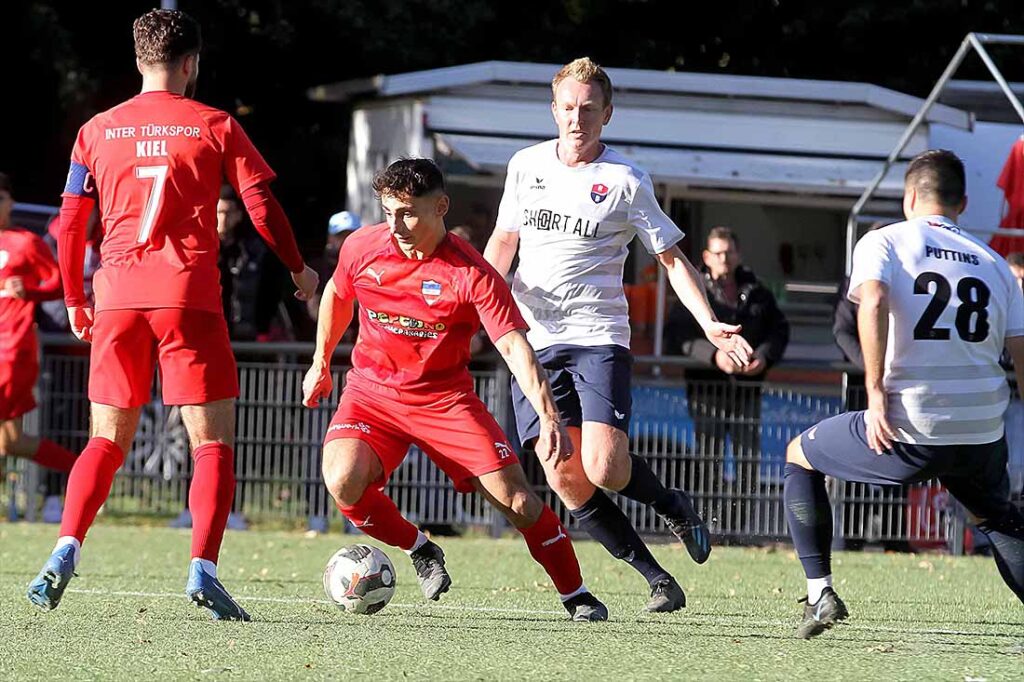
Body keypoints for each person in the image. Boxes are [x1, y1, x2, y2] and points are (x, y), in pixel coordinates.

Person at [27, 9, 318, 620]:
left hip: (118, 299)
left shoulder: (96, 129)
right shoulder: (215, 124)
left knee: (106, 439)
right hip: (188, 297)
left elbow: (72, 222)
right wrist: (297, 268)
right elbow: (260, 205)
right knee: (211, 442)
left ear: (138, 61)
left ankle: (64, 549)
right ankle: (202, 569)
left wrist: (76, 299)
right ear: (192, 63)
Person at [484, 57, 752, 612]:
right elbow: (501, 251)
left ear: (607, 113)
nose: (577, 118)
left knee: (604, 465)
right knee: (564, 476)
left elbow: (673, 261)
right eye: (568, 108)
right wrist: (473, 311)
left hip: (597, 335)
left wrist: (710, 324)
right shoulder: (524, 165)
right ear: (553, 110)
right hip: (530, 340)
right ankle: (656, 578)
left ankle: (673, 506)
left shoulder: (626, 179)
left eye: (589, 109)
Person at [302, 158, 609, 622]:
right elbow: (337, 296)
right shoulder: (363, 246)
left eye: (408, 212)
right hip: (372, 393)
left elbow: (514, 347)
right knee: (341, 479)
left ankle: (576, 594)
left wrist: (549, 416)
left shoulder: (471, 273)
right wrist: (320, 362)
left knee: (519, 502)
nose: (397, 224)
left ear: (440, 206)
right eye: (388, 212)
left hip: (445, 401)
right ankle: (419, 547)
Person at [784, 149, 1024, 639]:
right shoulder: (997, 264)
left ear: (910, 196)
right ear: (962, 203)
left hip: (911, 424)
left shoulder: (886, 241)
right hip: (981, 430)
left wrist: (875, 394)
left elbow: (870, 300)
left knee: (798, 456)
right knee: (998, 521)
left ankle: (819, 594)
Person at [664, 227, 789, 532]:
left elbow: (779, 330)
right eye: (717, 253)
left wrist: (763, 357)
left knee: (748, 461)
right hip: (707, 392)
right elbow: (677, 336)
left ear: (738, 254)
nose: (724, 258)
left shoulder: (757, 291)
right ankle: (710, 527)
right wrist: (713, 356)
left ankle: (740, 530)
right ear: (706, 257)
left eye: (729, 252)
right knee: (710, 461)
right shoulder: (694, 291)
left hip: (747, 391)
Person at [0, 173, 80, 482]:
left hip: (11, 348)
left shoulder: (26, 242)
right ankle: (86, 474)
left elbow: (60, 282)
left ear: (11, 202)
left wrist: (30, 291)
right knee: (12, 442)